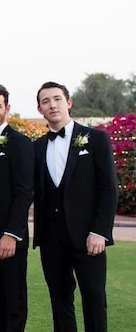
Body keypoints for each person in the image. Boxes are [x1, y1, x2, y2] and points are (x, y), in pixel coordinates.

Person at [33, 82, 118, 332]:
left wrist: (100, 231)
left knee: (93, 299)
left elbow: (108, 188)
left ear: (68, 103)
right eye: (46, 101)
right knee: (60, 303)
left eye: (57, 99)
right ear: (40, 109)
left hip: (88, 237)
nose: (52, 105)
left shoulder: (96, 139)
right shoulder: (36, 147)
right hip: (51, 240)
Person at [0, 84, 34, 332]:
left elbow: (25, 192)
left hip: (9, 239)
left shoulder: (20, 143)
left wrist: (11, 234)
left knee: (14, 305)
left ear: (7, 108)